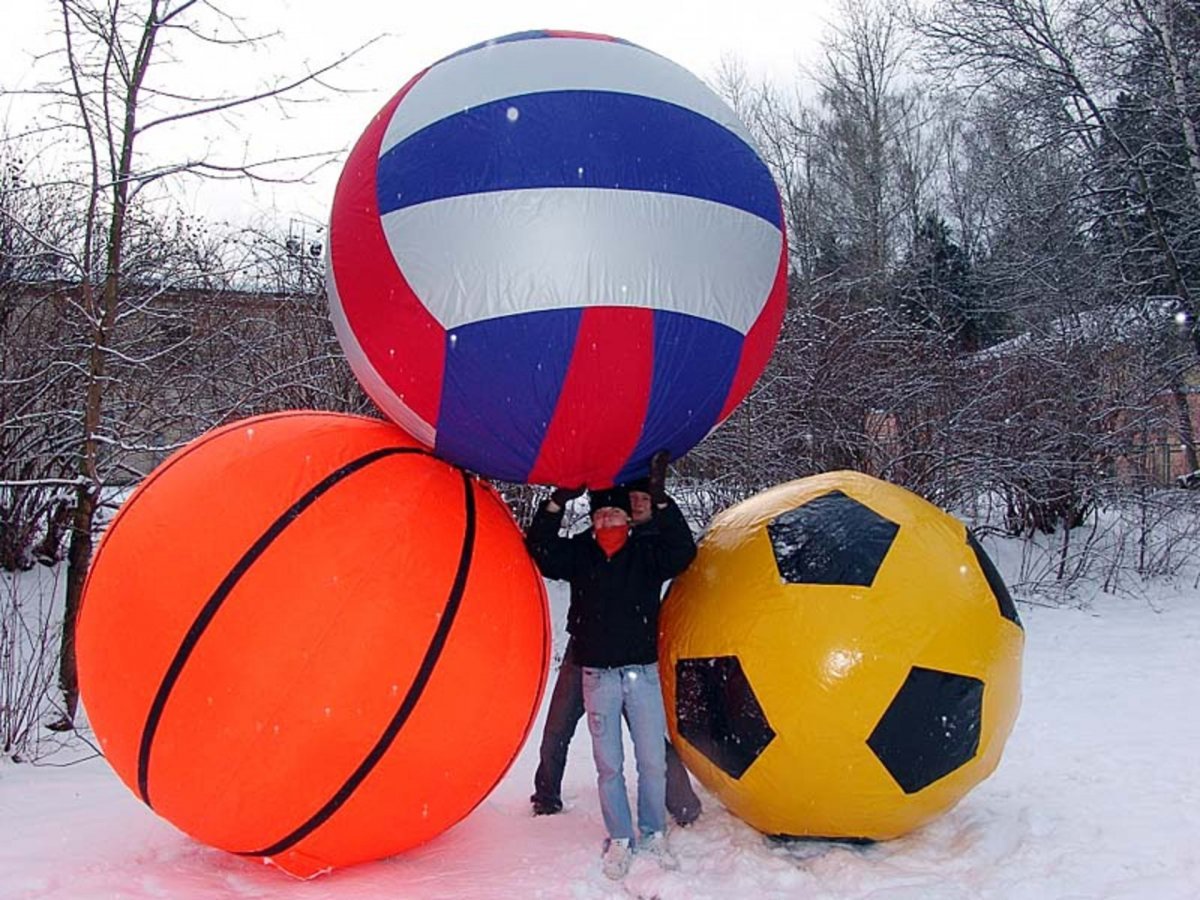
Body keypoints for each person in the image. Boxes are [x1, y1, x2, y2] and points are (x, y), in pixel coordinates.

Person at [526, 452, 696, 880]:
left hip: (640, 673)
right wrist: (556, 502)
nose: (605, 521)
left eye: (614, 513)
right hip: (592, 668)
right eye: (599, 513)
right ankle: (613, 832)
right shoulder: (581, 553)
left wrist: (660, 501)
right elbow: (541, 550)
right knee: (604, 761)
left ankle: (662, 825)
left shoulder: (648, 551)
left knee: (653, 756)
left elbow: (683, 552)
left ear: (627, 515)